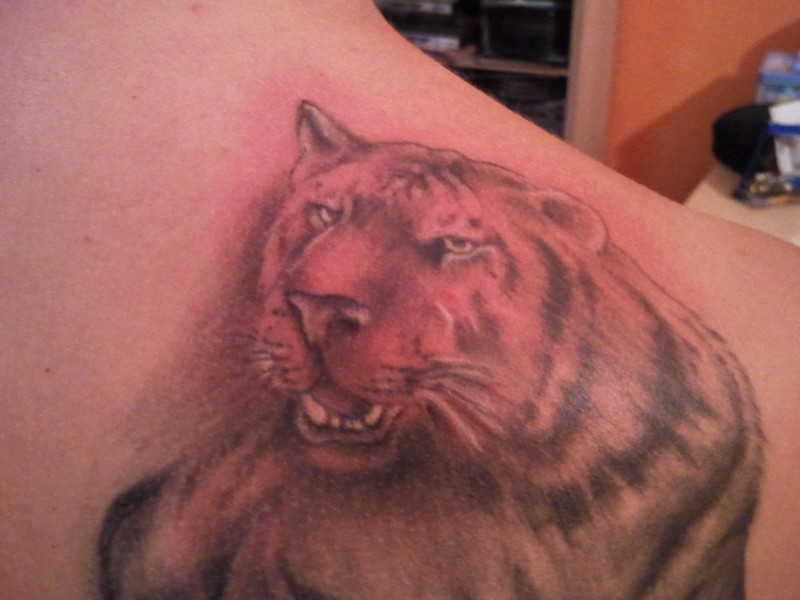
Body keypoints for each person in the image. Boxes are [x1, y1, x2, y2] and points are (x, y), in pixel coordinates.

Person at [1, 2, 798, 599]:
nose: (321, 291)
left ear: (564, 242)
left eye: (449, 247)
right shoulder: (780, 325)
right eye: (322, 217)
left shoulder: (714, 411)